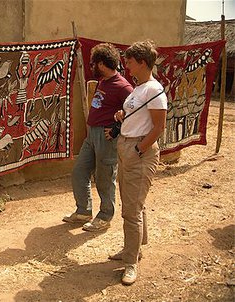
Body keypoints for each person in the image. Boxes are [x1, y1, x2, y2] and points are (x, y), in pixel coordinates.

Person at [109, 40, 167, 285]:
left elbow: (159, 127)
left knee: (131, 211)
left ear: (142, 63)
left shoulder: (153, 89)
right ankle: (134, 248)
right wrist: (122, 116)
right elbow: (138, 116)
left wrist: (138, 149)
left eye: (130, 62)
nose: (127, 66)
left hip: (138, 150)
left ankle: (130, 262)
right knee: (134, 203)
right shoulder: (139, 88)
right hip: (128, 146)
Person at [63, 43, 133, 232]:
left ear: (101, 64)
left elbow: (136, 112)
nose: (91, 66)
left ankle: (104, 217)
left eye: (94, 63)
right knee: (79, 171)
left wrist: (116, 129)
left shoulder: (123, 87)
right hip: (92, 135)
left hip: (106, 136)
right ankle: (83, 211)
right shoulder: (104, 81)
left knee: (105, 177)